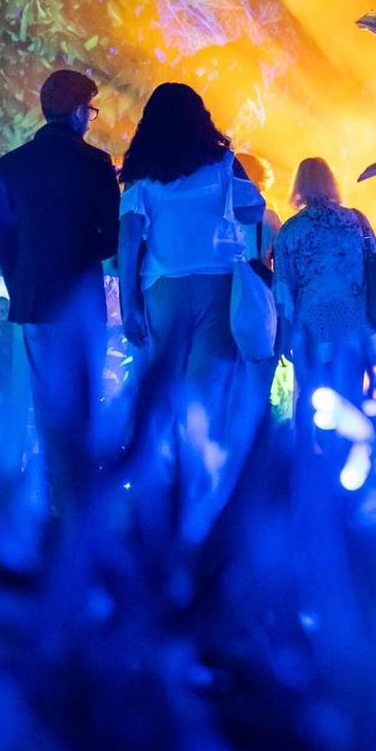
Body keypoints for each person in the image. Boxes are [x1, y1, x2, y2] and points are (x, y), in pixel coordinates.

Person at [116, 84, 266, 544]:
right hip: (219, 287)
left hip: (162, 288)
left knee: (168, 393)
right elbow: (254, 208)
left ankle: (166, 498)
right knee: (210, 398)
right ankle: (209, 504)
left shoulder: (141, 174)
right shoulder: (223, 163)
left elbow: (128, 243)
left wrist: (129, 306)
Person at [0, 70, 120, 533]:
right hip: (80, 300)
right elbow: (112, 238)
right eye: (91, 109)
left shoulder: (11, 165)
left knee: (46, 401)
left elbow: (4, 240)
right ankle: (83, 500)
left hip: (34, 299)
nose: (92, 117)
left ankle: (56, 501)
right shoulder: (95, 163)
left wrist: (20, 283)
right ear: (76, 110)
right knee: (84, 397)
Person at [272, 158, 376, 454]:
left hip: (313, 330)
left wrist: (284, 335)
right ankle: (349, 460)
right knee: (350, 394)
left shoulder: (290, 231)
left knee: (311, 397)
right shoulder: (355, 221)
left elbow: (283, 288)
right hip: (355, 326)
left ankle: (309, 463)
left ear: (299, 186)